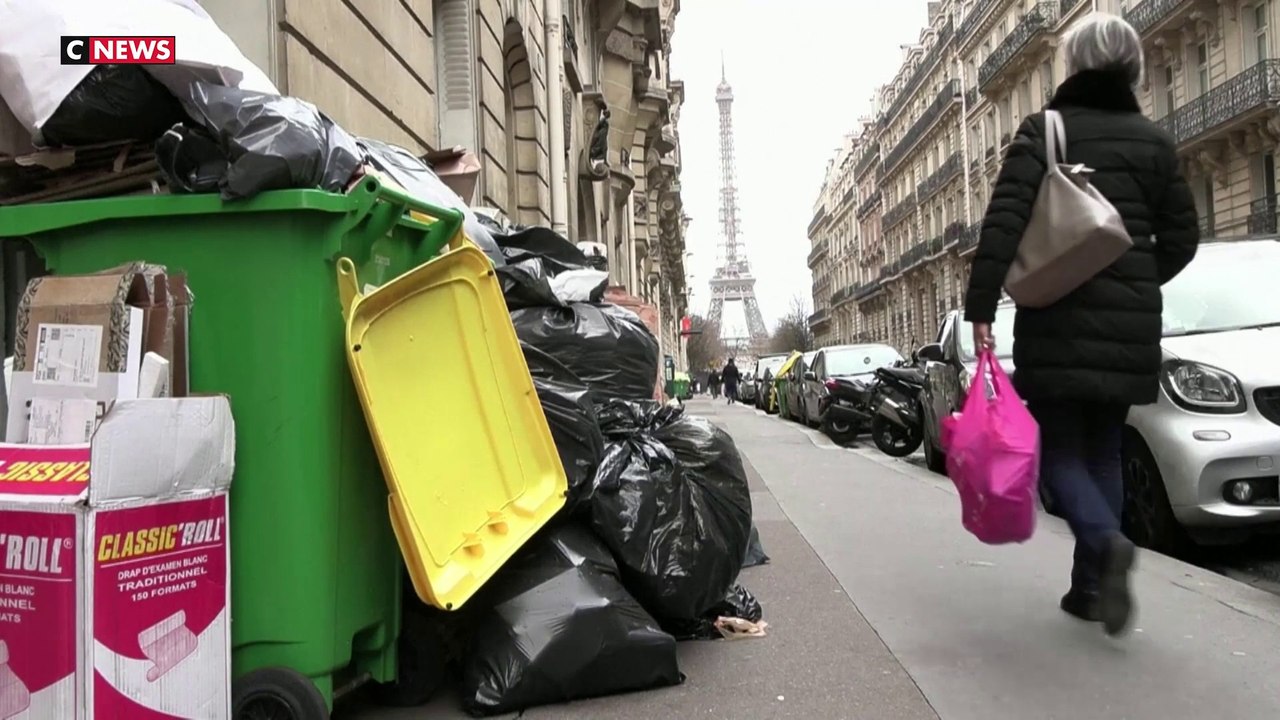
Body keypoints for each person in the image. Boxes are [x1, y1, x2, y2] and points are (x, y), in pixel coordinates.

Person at [962, 13, 1199, 637]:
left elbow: (1004, 223)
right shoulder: (1154, 141)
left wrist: (981, 308)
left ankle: (1104, 541)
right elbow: (1182, 237)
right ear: (1132, 66)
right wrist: (1136, 281)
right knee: (1105, 454)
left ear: (1073, 64)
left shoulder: (1046, 131)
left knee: (1061, 450)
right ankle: (1090, 587)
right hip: (1131, 330)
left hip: (1056, 319)